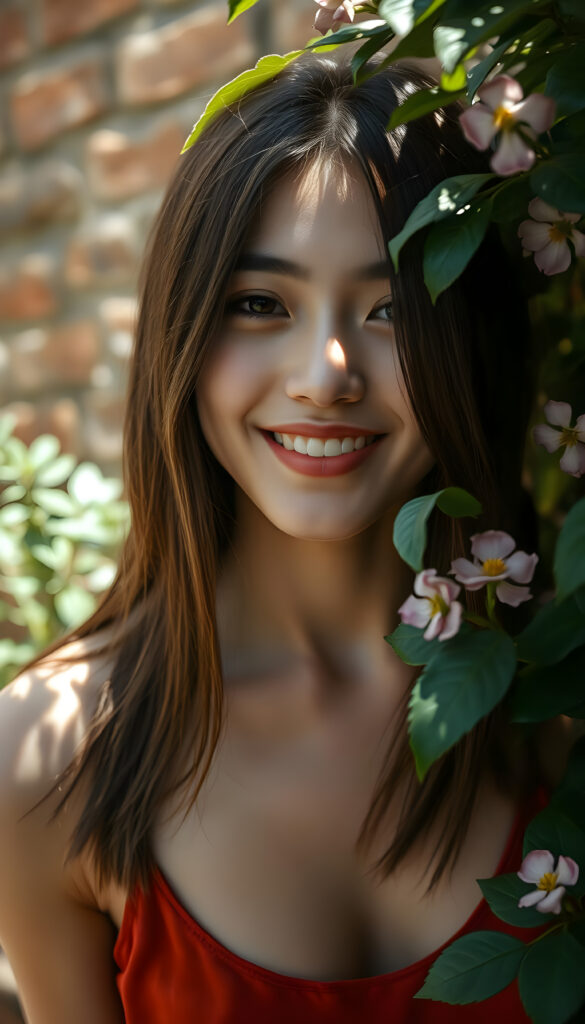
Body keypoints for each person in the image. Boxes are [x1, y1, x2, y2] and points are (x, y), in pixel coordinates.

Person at [0, 52, 564, 1023]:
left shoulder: (556, 699)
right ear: (183, 332)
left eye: (396, 308)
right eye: (261, 303)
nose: (325, 374)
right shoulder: (43, 763)